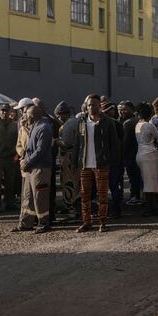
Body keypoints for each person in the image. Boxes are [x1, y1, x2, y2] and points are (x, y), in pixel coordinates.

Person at [75, 94, 119, 232]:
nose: (91, 107)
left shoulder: (108, 122)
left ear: (99, 106)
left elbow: (114, 144)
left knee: (102, 194)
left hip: (101, 164)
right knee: (85, 194)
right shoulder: (82, 122)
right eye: (89, 105)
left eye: (94, 104)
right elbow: (78, 144)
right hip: (85, 164)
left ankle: (103, 222)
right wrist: (76, 161)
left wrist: (111, 161)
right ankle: (86, 222)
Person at [13, 105, 53, 233]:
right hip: (31, 168)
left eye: (27, 116)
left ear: (32, 116)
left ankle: (43, 223)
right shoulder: (35, 126)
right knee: (28, 197)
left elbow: (40, 150)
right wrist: (25, 161)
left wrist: (27, 162)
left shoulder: (44, 128)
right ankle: (25, 223)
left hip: (40, 168)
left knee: (40, 197)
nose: (25, 118)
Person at [0, 103, 18, 213]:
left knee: (10, 182)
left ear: (10, 111)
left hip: (10, 158)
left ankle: (9, 203)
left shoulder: (14, 125)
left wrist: (16, 156)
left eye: (6, 110)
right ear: (0, 111)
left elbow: (17, 141)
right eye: (2, 110)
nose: (4, 112)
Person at [134, 102, 158, 216]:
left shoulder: (137, 125)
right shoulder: (149, 125)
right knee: (151, 182)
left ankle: (150, 206)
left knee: (146, 181)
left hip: (140, 153)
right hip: (150, 154)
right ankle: (150, 207)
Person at [55, 102, 81, 219]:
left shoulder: (68, 124)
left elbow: (65, 143)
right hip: (77, 157)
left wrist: (56, 141)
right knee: (77, 184)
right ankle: (77, 208)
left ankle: (72, 209)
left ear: (61, 114)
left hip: (69, 159)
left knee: (69, 184)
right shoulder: (77, 121)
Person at [102, 100, 125, 219]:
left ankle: (114, 209)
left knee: (112, 187)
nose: (113, 111)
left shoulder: (114, 124)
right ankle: (112, 209)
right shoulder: (112, 123)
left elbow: (120, 141)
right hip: (109, 161)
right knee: (110, 187)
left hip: (112, 161)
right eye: (110, 110)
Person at [118, 101, 142, 206]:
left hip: (130, 155)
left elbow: (126, 142)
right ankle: (136, 195)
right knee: (136, 177)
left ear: (131, 109)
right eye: (120, 109)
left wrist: (121, 155)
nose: (121, 111)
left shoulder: (128, 123)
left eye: (124, 109)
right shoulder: (136, 120)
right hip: (137, 153)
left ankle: (134, 196)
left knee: (133, 177)